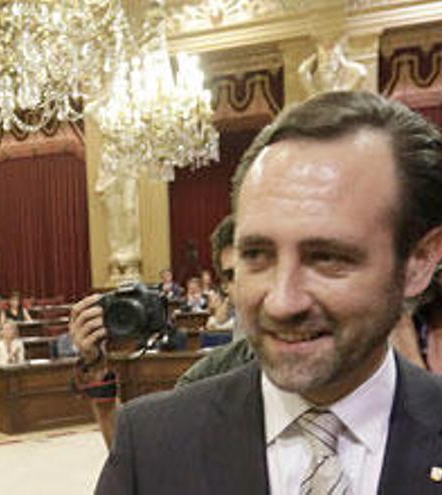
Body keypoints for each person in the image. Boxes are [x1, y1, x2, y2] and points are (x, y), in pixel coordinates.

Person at [90, 91, 442, 493]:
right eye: (257, 255)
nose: (281, 301)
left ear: (418, 262)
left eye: (327, 257)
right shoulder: (150, 444)